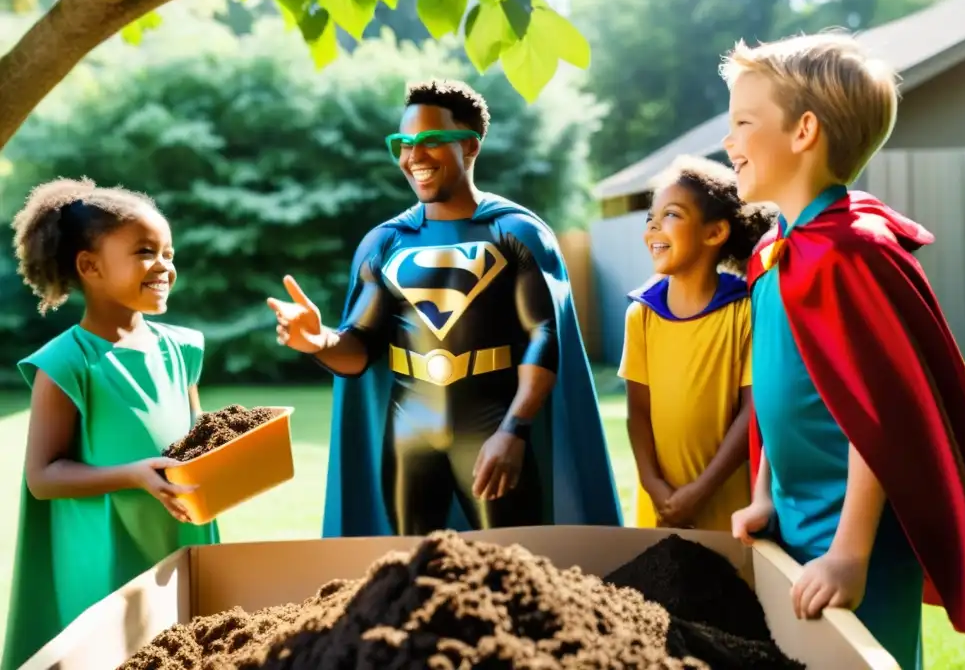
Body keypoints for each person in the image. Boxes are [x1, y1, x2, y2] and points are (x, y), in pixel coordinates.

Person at [721, 31, 965, 669]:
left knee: (862, 659)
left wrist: (851, 552)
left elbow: (883, 413)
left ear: (803, 131)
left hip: (857, 525)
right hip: (794, 518)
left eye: (744, 122)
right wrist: (764, 493)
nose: (728, 141)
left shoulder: (848, 251)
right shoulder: (774, 251)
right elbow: (782, 392)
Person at [267, 79, 621, 536]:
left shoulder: (515, 232)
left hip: (490, 422)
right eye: (404, 143)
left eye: (431, 140)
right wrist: (319, 341)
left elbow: (543, 336)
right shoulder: (387, 242)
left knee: (512, 568)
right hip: (409, 428)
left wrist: (514, 430)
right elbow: (359, 348)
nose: (414, 156)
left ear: (470, 146)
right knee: (408, 570)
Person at [2, 178, 217, 670]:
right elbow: (43, 477)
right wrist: (133, 474)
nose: (165, 266)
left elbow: (201, 440)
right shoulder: (66, 364)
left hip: (178, 538)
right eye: (146, 252)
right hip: (105, 556)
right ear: (89, 266)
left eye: (169, 252)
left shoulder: (181, 349)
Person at [619, 155, 775, 532]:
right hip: (661, 505)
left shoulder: (744, 311)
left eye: (671, 214)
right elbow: (638, 413)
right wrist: (653, 485)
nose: (654, 226)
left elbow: (752, 413)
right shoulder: (642, 314)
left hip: (727, 505)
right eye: (650, 217)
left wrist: (702, 490)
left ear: (714, 233)